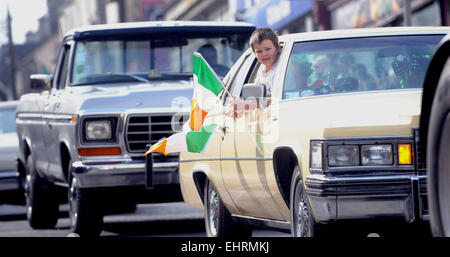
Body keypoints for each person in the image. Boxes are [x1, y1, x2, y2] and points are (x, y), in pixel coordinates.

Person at [226, 27, 281, 118]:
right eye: (259, 51)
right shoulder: (260, 72)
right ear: (254, 53)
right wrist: (242, 105)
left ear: (278, 47)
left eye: (268, 49)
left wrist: (246, 104)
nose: (264, 54)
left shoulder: (283, 68)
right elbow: (257, 100)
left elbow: (279, 100)